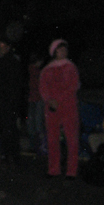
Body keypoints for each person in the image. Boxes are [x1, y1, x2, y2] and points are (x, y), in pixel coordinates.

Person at [39, 39, 81, 178]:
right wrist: (49, 100)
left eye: (64, 49)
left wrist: (58, 100)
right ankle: (53, 169)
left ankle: (71, 171)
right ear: (54, 52)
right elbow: (43, 87)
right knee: (52, 139)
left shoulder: (71, 67)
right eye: (60, 49)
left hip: (68, 107)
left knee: (71, 139)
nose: (63, 52)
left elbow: (73, 87)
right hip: (51, 108)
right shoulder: (47, 69)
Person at [0, 33, 23, 167]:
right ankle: (6, 154)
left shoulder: (11, 61)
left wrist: (12, 100)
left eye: (2, 45)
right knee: (3, 129)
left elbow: (14, 83)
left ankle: (13, 156)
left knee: (10, 129)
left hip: (9, 101)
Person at [27, 52, 45, 155]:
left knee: (32, 123)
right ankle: (38, 146)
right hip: (37, 99)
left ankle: (34, 145)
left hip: (32, 99)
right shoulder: (37, 71)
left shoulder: (30, 71)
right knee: (37, 124)